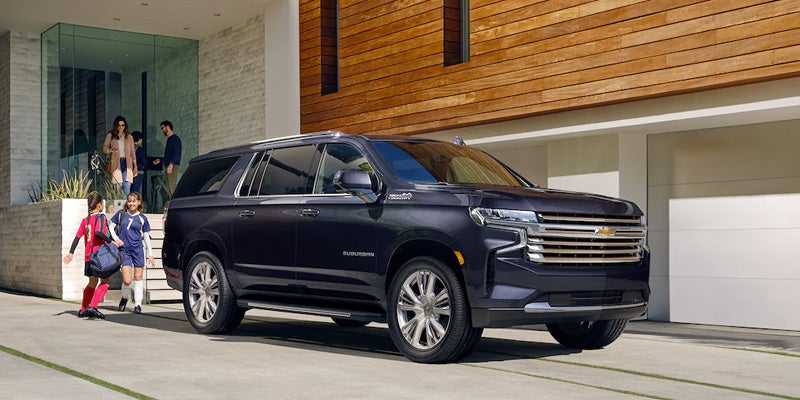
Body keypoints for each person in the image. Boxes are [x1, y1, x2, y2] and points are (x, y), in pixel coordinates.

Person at [62, 191, 123, 319]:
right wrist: (111, 241)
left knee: (92, 281)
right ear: (99, 205)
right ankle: (93, 306)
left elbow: (77, 237)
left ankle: (83, 309)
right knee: (105, 282)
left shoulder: (85, 220)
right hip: (98, 257)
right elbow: (98, 233)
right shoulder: (101, 217)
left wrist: (71, 252)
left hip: (88, 257)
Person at [110, 191, 155, 314]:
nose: (131, 204)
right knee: (127, 280)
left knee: (138, 278)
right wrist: (116, 239)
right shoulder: (121, 214)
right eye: (129, 201)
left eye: (134, 201)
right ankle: (125, 297)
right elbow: (111, 227)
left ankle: (138, 304)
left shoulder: (142, 218)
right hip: (125, 250)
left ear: (139, 202)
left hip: (138, 250)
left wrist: (150, 254)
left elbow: (146, 236)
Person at [103, 115, 137, 197]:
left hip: (127, 163)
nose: (121, 127)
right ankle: (118, 204)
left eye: (123, 125)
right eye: (118, 125)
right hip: (116, 162)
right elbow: (104, 148)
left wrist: (135, 166)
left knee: (127, 186)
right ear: (116, 126)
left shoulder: (129, 137)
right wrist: (110, 150)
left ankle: (126, 204)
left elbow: (133, 152)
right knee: (118, 185)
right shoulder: (110, 135)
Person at [152, 120, 181, 196]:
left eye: (163, 128)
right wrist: (161, 160)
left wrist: (171, 165)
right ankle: (173, 202)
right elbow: (169, 155)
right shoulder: (169, 139)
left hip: (172, 166)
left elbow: (177, 153)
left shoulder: (175, 139)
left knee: (172, 187)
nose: (162, 131)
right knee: (169, 188)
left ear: (167, 127)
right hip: (168, 166)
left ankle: (176, 202)